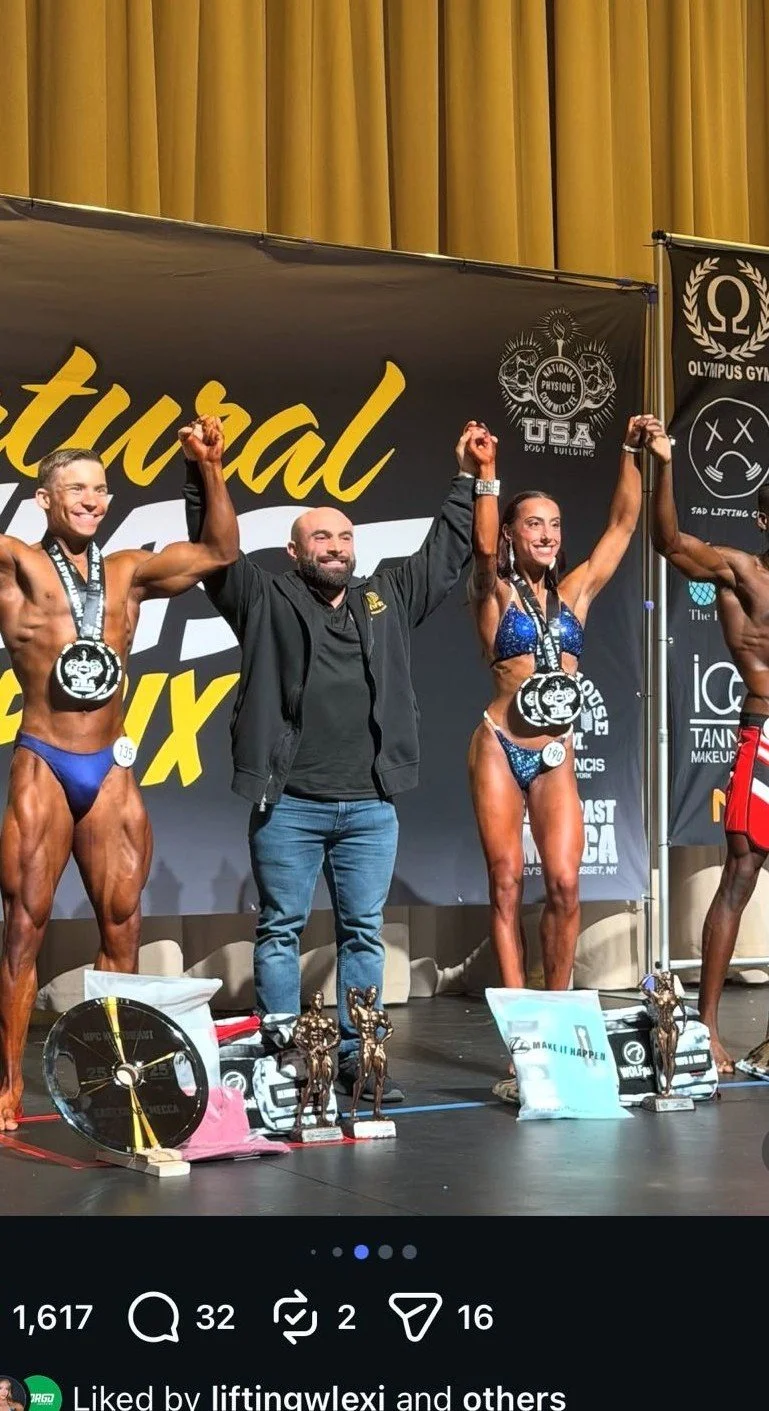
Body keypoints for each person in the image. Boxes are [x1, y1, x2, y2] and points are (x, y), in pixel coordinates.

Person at [184, 424, 481, 1103]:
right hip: (288, 801)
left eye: (344, 537)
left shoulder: (385, 599)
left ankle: (357, 1057)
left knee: (362, 933)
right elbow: (214, 551)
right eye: (321, 538)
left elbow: (443, 554)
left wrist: (467, 480)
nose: (335, 547)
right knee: (280, 928)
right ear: (294, 551)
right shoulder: (264, 599)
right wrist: (201, 473)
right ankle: (285, 1059)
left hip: (370, 806)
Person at [0, 415, 239, 1131]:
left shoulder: (129, 569)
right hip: (44, 758)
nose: (91, 498)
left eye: (100, 488)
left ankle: (117, 1074)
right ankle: (7, 1081)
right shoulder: (16, 562)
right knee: (22, 928)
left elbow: (221, 550)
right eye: (75, 487)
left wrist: (209, 466)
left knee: (123, 925)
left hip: (109, 766)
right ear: (44, 498)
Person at [466, 416, 646, 1098]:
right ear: (514, 532)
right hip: (499, 743)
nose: (545, 534)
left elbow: (623, 529)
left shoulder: (574, 594)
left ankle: (558, 1016)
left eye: (553, 524)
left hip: (554, 754)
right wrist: (488, 474)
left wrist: (629, 451)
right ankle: (521, 1032)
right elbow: (482, 549)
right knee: (507, 882)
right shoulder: (495, 591)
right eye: (532, 524)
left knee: (566, 886)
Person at [649, 414, 769, 1073]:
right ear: (762, 518)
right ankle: (704, 1028)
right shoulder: (741, 573)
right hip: (763, 734)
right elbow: (666, 541)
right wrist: (664, 463)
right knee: (741, 873)